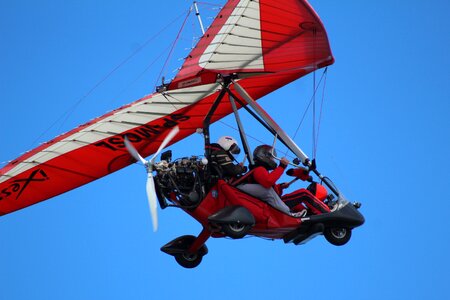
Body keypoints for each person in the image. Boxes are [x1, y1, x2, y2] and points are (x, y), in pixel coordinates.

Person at [237, 145, 330, 217]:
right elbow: (267, 182)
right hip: (273, 206)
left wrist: (280, 187)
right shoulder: (259, 169)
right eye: (272, 157)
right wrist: (281, 167)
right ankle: (326, 212)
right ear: (265, 156)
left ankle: (310, 217)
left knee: (299, 207)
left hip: (272, 203)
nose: (273, 160)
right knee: (303, 194)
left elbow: (270, 189)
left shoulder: (261, 171)